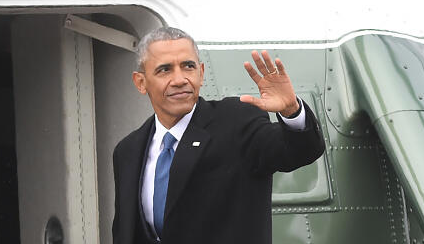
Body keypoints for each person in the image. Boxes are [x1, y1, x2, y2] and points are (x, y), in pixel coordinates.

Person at [112, 27, 325, 244]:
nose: (179, 79)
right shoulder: (128, 150)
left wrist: (291, 111)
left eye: (188, 66)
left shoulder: (236, 121)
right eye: (164, 70)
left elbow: (298, 151)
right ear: (141, 82)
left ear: (201, 73)